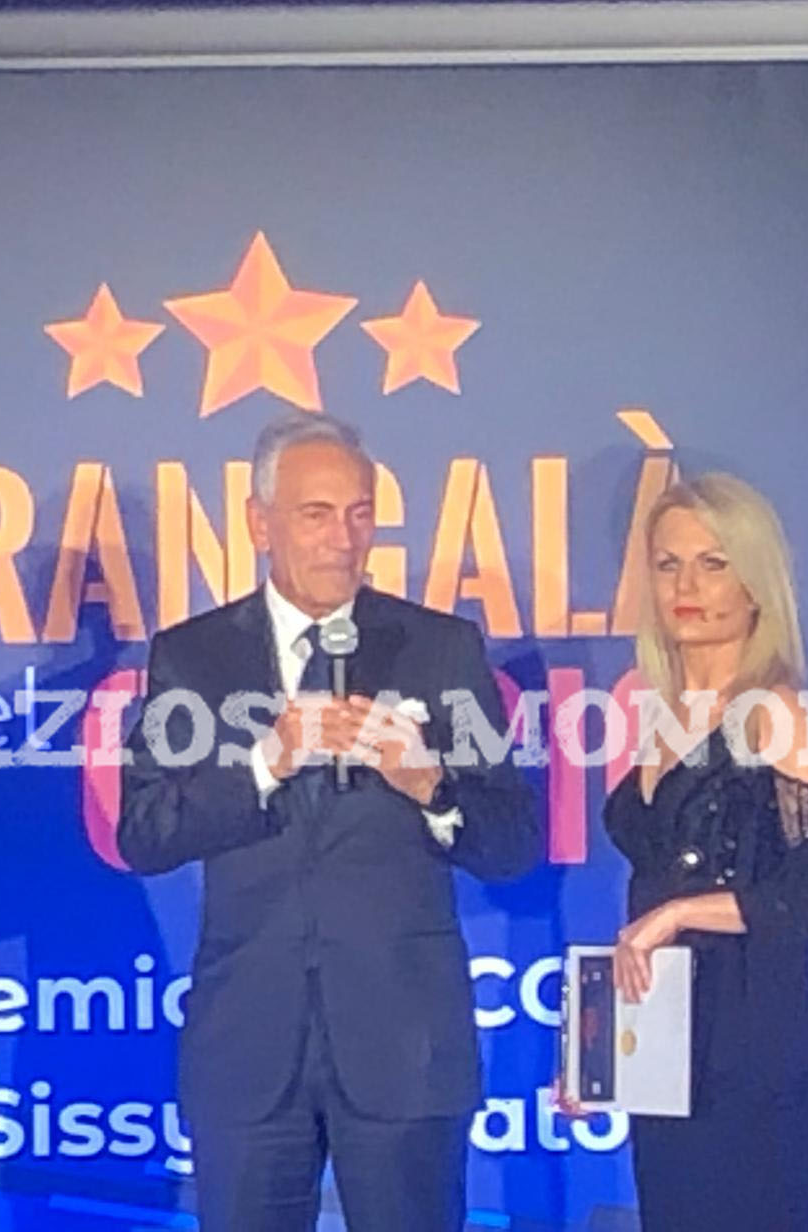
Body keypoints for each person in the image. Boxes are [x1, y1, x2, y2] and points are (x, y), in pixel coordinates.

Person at [117, 412, 541, 1232]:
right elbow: (145, 833)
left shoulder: (439, 649)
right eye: (316, 514)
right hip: (249, 1051)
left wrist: (432, 785)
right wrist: (263, 764)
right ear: (259, 523)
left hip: (404, 1048)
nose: (343, 540)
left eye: (359, 514)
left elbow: (513, 842)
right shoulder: (194, 657)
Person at [602, 473, 808, 1232]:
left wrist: (683, 913)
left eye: (713, 564)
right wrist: (604, 1046)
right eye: (668, 564)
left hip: (756, 1050)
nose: (687, 586)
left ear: (754, 584)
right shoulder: (659, 712)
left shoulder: (776, 716)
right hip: (667, 1048)